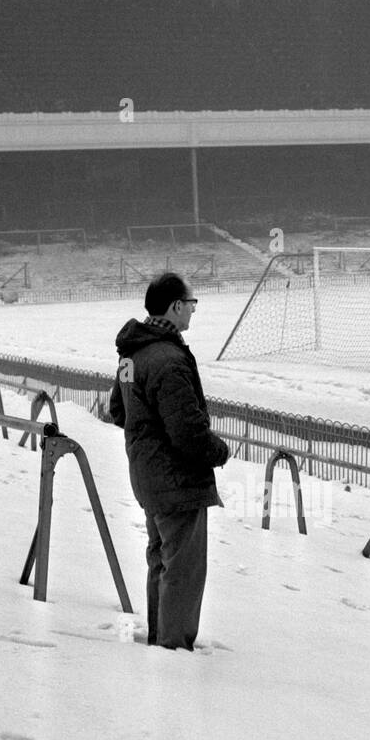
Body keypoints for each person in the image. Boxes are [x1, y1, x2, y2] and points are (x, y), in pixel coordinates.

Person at [108, 272, 230, 651]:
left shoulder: (133, 353)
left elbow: (117, 410)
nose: (193, 311)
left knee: (160, 560)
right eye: (191, 304)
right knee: (183, 569)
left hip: (147, 476)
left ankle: (161, 638)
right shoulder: (170, 360)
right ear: (176, 306)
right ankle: (173, 649)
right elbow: (187, 431)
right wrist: (218, 451)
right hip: (177, 481)